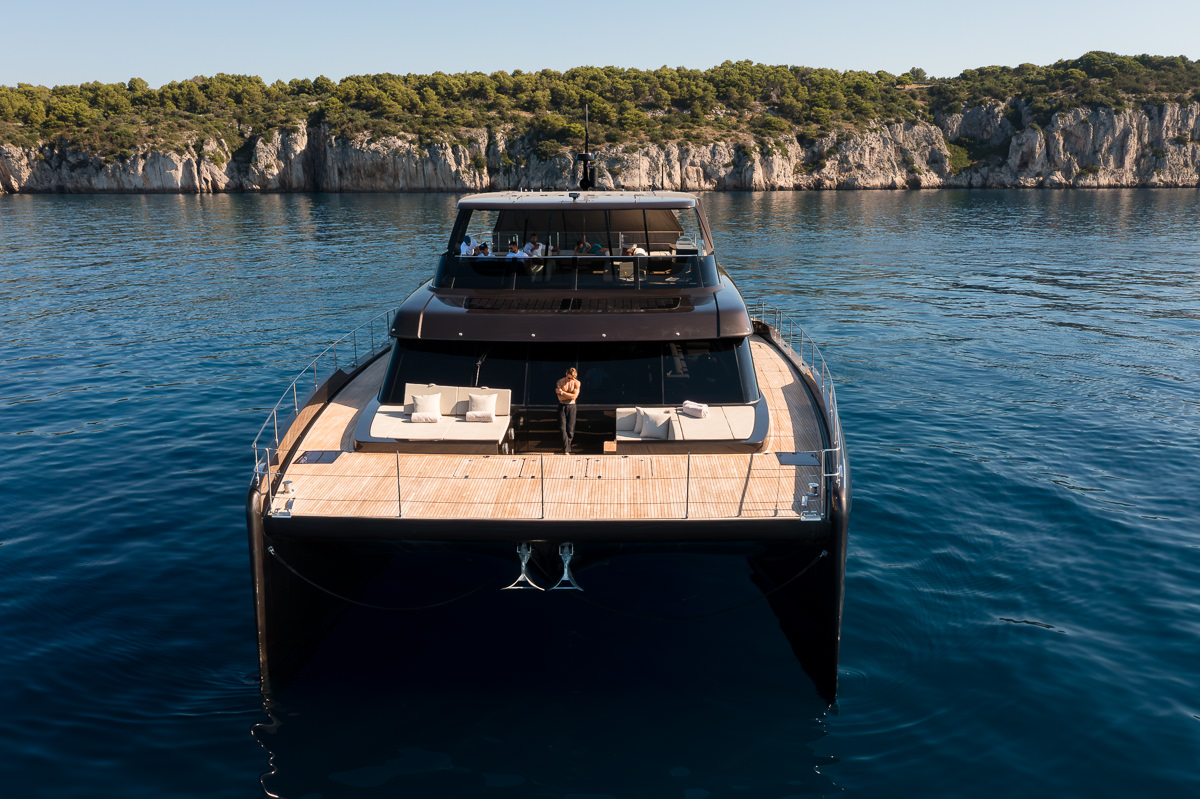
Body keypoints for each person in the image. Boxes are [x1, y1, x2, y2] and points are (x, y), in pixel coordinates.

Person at [556, 367, 580, 454]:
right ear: (566, 374)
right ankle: (566, 449)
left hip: (572, 406)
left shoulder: (576, 383)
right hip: (562, 406)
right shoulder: (560, 382)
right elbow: (560, 398)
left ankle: (567, 448)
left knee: (570, 429)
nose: (571, 380)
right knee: (562, 428)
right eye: (569, 378)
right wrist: (569, 395)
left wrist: (562, 392)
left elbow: (574, 397)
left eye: (573, 378)